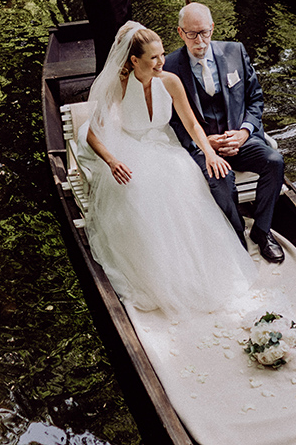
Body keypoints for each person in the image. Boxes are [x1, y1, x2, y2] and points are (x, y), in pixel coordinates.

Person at [76, 22, 256, 317]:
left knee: (186, 179)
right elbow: (93, 134)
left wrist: (210, 154)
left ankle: (194, 267)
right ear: (134, 61)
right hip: (128, 147)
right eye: (154, 58)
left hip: (163, 145)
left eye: (162, 55)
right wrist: (112, 161)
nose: (162, 62)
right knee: (138, 189)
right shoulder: (119, 86)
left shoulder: (170, 81)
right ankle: (155, 269)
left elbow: (192, 124)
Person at [163, 2, 287, 264]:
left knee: (274, 162)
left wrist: (244, 132)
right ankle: (236, 235)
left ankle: (262, 233)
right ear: (180, 32)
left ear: (212, 28)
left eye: (205, 32)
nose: (200, 40)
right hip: (203, 146)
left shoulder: (235, 52)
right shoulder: (169, 67)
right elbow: (171, 119)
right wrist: (205, 143)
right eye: (192, 34)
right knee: (221, 179)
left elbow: (255, 99)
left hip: (240, 139)